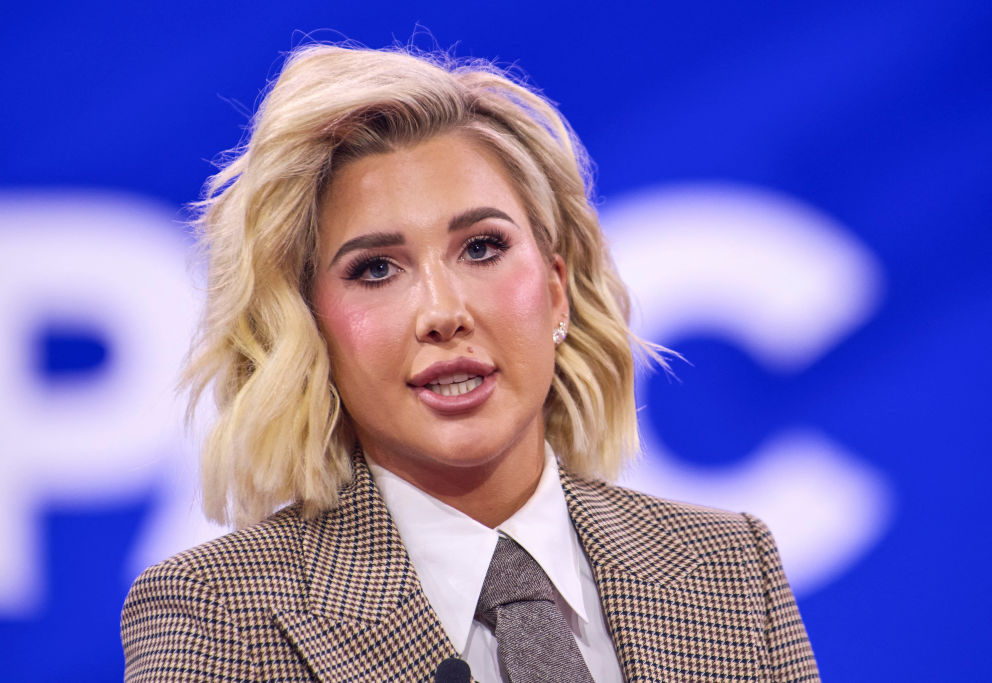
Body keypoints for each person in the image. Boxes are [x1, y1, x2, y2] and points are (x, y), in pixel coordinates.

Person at [121, 44, 820, 682]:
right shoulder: (217, 615)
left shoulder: (731, 569)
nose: (442, 311)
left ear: (555, 290)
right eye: (375, 269)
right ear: (311, 331)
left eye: (482, 248)